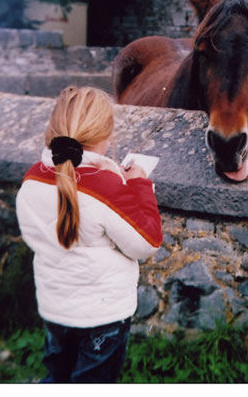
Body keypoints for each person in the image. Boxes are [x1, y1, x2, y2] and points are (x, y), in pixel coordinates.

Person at [16, 86, 162, 383]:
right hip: (102, 316)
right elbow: (147, 243)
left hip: (55, 308)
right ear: (105, 138)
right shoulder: (107, 187)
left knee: (58, 377)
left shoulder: (31, 178)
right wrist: (138, 186)